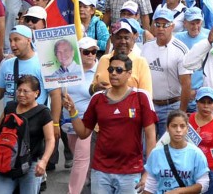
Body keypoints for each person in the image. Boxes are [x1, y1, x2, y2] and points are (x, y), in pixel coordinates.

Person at [63, 53, 157, 194]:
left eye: (119, 70)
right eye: (111, 70)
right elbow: (83, 133)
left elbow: (151, 138)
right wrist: (73, 112)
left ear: (129, 74)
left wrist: (147, 173)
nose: (113, 73)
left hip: (130, 173)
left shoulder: (141, 97)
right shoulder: (97, 98)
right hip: (101, 171)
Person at [0, 75, 55, 194]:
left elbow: (50, 139)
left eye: (26, 91)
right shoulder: (10, 107)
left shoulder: (43, 113)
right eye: (19, 90)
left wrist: (44, 161)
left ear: (36, 93)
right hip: (7, 162)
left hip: (30, 165)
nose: (21, 94)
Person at [143, 7, 192, 138]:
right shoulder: (146, 46)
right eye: (157, 24)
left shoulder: (181, 49)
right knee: (146, 148)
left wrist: (181, 112)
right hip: (150, 105)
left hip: (171, 106)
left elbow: (186, 84)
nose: (161, 28)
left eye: (165, 25)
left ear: (172, 26)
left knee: (168, 146)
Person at [63, 37, 99, 193]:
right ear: (79, 53)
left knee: (80, 160)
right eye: (86, 52)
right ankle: (91, 184)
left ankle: (74, 191)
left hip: (89, 122)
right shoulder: (68, 69)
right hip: (70, 121)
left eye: (93, 51)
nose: (90, 55)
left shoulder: (100, 71)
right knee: (84, 159)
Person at [143, 111, 210, 193]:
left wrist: (180, 191)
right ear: (167, 128)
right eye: (174, 126)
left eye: (182, 126)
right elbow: (150, 186)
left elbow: (204, 184)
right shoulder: (156, 153)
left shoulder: (196, 153)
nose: (178, 130)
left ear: (187, 129)